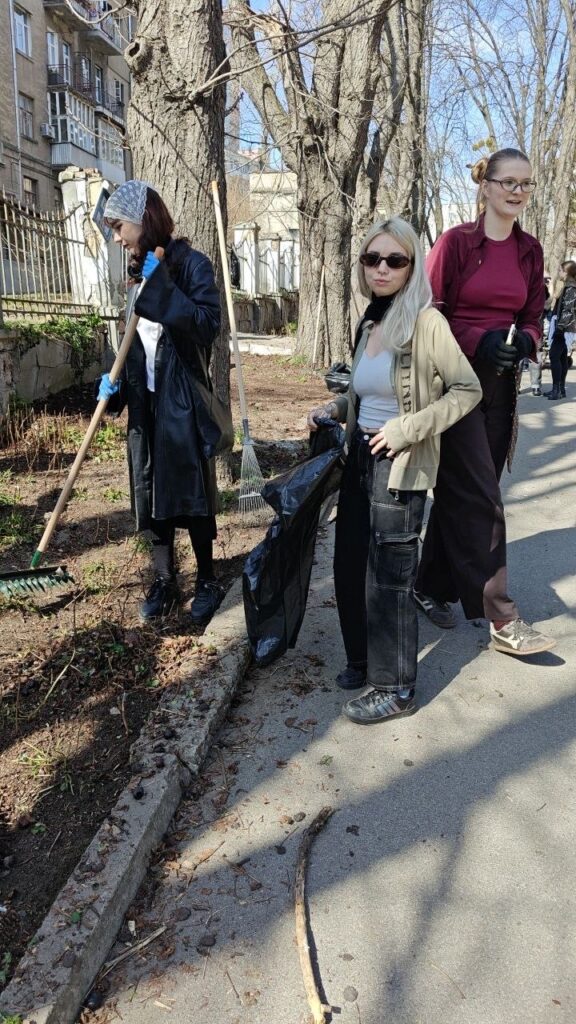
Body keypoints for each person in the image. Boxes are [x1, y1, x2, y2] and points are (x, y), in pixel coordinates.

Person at [307, 217, 482, 725]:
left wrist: (407, 430)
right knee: (348, 564)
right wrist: (335, 408)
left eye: (394, 260)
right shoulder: (370, 323)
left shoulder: (427, 324)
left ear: (411, 266)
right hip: (359, 457)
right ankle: (363, 659)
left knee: (390, 578)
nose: (381, 268)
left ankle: (397, 688)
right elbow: (365, 393)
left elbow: (467, 390)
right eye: (372, 259)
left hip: (400, 465)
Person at [413, 148, 555, 655]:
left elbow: (534, 316)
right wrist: (479, 340)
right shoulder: (455, 242)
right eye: (508, 182)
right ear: (486, 185)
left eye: (526, 184)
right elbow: (427, 313)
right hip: (455, 383)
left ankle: (428, 586)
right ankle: (502, 617)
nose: (517, 191)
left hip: (503, 387)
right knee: (483, 499)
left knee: (468, 491)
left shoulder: (530, 250)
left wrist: (525, 342)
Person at [98, 179, 226, 626]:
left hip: (182, 398)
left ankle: (207, 579)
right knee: (149, 487)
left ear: (143, 219)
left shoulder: (191, 265)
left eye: (119, 227)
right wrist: (114, 386)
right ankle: (165, 579)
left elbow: (207, 325)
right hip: (146, 402)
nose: (117, 238)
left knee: (192, 492)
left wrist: (164, 288)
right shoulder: (136, 274)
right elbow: (134, 345)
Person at [545, 260, 576, 400]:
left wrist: (560, 328)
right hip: (563, 326)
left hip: (564, 328)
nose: (559, 273)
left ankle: (556, 390)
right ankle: (561, 389)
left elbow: (568, 310)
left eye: (560, 270)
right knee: (562, 357)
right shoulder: (568, 287)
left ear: (567, 272)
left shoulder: (571, 288)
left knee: (554, 356)